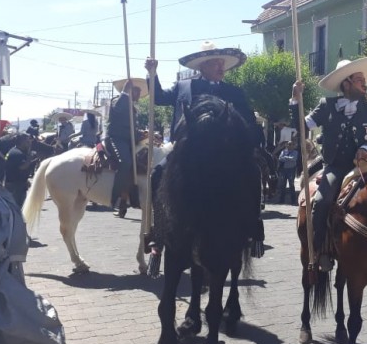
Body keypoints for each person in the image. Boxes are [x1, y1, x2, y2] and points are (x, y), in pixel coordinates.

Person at [291, 56, 367, 271]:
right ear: (347, 83)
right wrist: (296, 100)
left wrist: (366, 148)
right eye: (359, 79)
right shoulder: (327, 106)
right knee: (322, 201)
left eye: (363, 79)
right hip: (336, 166)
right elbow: (303, 126)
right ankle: (319, 249)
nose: (364, 83)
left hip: (364, 165)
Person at [145, 41, 263, 148]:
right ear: (203, 66)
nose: (221, 67)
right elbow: (159, 98)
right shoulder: (183, 87)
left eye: (223, 63)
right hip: (184, 150)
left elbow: (248, 122)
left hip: (225, 152)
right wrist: (152, 73)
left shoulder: (235, 92)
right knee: (158, 171)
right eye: (216, 63)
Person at [107, 77, 145, 215]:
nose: (139, 94)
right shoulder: (118, 101)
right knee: (125, 162)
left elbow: (131, 129)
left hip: (128, 141)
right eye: (137, 91)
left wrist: (142, 134)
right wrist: (124, 92)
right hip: (115, 139)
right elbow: (117, 110)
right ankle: (115, 198)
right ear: (130, 91)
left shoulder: (133, 108)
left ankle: (132, 197)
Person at [3, 133, 38, 208]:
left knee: (18, 207)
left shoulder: (16, 151)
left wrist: (25, 180)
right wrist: (30, 157)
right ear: (22, 142)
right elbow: (23, 167)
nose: (30, 144)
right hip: (15, 186)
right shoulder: (16, 153)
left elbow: (17, 170)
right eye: (28, 142)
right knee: (16, 207)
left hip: (17, 184)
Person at [277, 140, 298, 205]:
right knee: (282, 185)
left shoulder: (295, 152)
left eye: (290, 144)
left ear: (293, 146)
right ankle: (281, 200)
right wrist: (288, 158)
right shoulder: (283, 151)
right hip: (284, 170)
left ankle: (293, 200)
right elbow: (280, 158)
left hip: (291, 170)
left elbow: (294, 159)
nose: (289, 146)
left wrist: (285, 157)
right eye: (288, 144)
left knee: (291, 185)